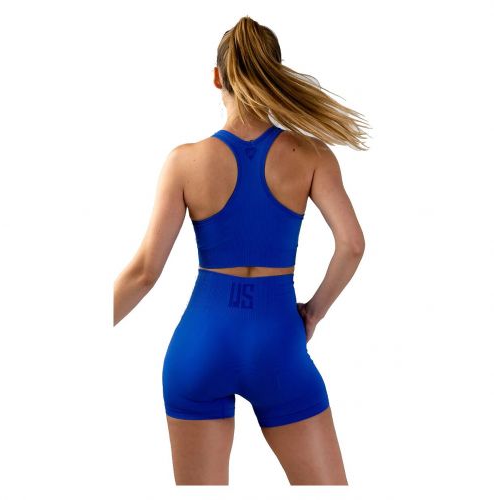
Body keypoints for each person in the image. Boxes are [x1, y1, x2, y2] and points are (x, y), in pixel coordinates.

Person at [114, 15, 370, 486]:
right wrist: (313, 313)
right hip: (278, 342)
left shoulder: (185, 162)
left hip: (200, 344)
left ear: (217, 78)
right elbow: (352, 245)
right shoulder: (313, 156)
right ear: (275, 74)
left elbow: (145, 272)